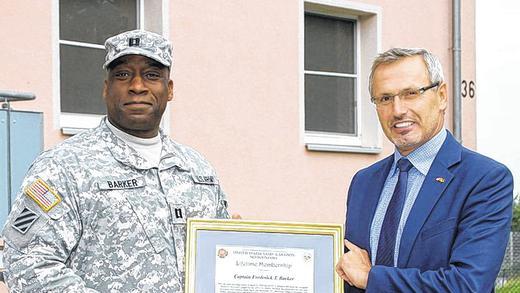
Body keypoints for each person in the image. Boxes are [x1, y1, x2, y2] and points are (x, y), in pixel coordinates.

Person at [1, 30, 230, 292]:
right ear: (106, 88)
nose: (137, 86)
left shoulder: (198, 169)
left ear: (169, 90)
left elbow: (220, 261)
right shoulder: (64, 167)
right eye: (122, 75)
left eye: (152, 75)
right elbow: (27, 265)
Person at [335, 47, 513, 292]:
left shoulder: (484, 179)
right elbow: (349, 273)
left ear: (441, 96)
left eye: (411, 93)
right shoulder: (364, 182)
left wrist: (372, 278)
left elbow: (468, 285)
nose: (397, 110)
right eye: (385, 98)